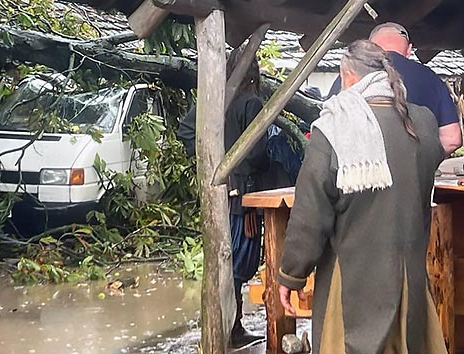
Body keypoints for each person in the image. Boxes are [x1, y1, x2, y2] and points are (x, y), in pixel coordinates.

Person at [278, 40, 447, 354]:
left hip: (353, 282)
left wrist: (292, 275)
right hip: (409, 276)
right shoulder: (422, 123)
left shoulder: (335, 126)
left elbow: (310, 214)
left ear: (348, 76)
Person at [177, 48, 269, 348]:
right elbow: (256, 154)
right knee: (240, 264)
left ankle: (229, 326)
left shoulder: (215, 100)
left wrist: (214, 165)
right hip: (245, 198)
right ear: (253, 72)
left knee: (223, 262)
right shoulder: (252, 103)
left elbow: (186, 130)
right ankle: (231, 328)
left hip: (218, 194)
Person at [328, 22, 461, 155]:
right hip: (411, 174)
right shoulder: (431, 79)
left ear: (369, 48)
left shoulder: (347, 76)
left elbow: (328, 131)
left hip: (358, 170)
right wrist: (423, 164)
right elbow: (452, 139)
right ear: (409, 50)